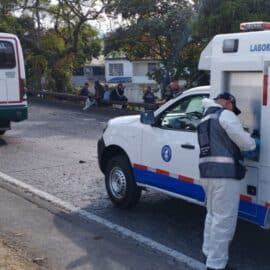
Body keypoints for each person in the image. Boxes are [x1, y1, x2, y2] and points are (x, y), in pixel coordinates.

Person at [197, 93, 259, 270]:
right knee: (224, 221)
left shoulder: (204, 119)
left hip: (207, 174)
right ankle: (215, 265)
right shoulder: (225, 115)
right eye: (232, 105)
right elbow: (246, 144)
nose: (232, 109)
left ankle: (208, 252)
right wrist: (253, 141)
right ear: (226, 102)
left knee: (212, 215)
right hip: (224, 175)